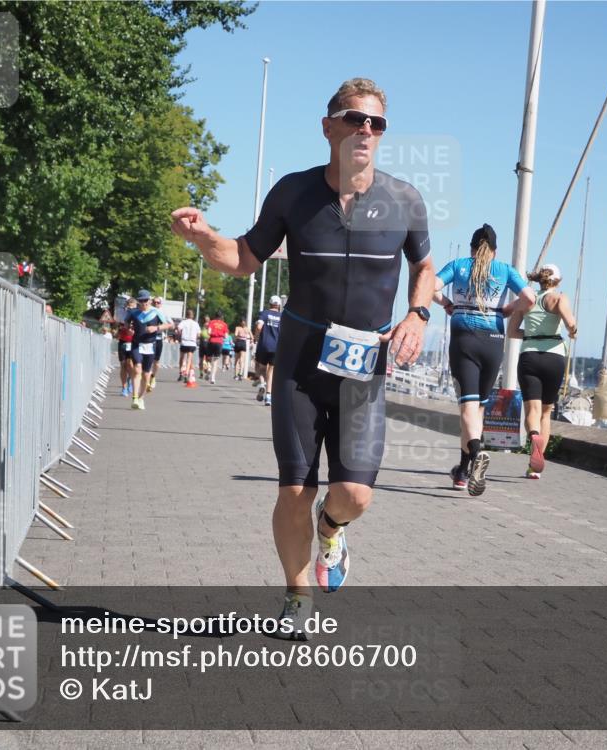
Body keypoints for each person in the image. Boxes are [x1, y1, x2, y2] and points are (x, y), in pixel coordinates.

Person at [172, 77, 433, 636]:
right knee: (294, 486)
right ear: (328, 126)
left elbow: (425, 268)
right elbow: (244, 257)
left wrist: (417, 315)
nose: (366, 129)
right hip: (299, 364)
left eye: (376, 123)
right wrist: (202, 237)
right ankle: (297, 594)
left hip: (363, 368)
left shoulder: (404, 199)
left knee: (355, 495)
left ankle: (332, 528)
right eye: (354, 118)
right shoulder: (293, 193)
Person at [433, 223, 533, 495]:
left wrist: (447, 304)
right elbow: (530, 298)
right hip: (493, 340)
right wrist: (507, 310)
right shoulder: (505, 270)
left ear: (472, 248)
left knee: (467, 407)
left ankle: (476, 453)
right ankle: (463, 474)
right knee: (477, 410)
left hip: (464, 338)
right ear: (495, 251)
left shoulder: (459, 264)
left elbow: (430, 286)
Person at [507, 264, 578, 478]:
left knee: (532, 411)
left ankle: (533, 434)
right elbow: (570, 323)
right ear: (557, 281)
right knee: (546, 412)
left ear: (539, 279)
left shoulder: (526, 301)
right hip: (554, 357)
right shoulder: (559, 298)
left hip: (529, 356)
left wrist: (531, 336)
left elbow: (512, 331)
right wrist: (573, 332)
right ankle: (534, 467)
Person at [128, 290, 168, 410]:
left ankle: (141, 398)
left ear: (149, 300)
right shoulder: (133, 312)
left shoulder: (156, 312)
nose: (143, 303)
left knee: (146, 375)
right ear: (138, 301)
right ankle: (134, 397)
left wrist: (156, 328)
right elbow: (125, 323)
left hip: (150, 345)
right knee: (137, 369)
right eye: (141, 301)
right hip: (136, 344)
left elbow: (168, 325)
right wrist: (129, 329)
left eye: (145, 300)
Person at [254, 296, 282, 406]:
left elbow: (259, 326)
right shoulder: (282, 316)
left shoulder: (264, 313)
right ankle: (269, 396)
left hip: (264, 345)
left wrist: (256, 336)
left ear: (270, 304)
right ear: (279, 305)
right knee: (271, 372)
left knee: (261, 368)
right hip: (276, 346)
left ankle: (262, 384)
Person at [148, 297, 172, 392]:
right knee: (148, 359)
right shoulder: (149, 311)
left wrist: (159, 328)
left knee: (156, 361)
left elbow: (171, 324)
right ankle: (147, 375)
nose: (155, 304)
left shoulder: (163, 313)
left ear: (161, 304)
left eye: (158, 302)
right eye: (154, 302)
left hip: (158, 338)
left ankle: (153, 376)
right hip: (148, 339)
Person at [117, 299, 137, 397]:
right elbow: (119, 323)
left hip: (133, 342)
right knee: (123, 364)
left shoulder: (138, 315)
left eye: (133, 306)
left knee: (131, 365)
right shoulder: (122, 313)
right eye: (129, 306)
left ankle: (130, 380)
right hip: (123, 341)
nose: (131, 308)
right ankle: (124, 387)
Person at [176, 308, 201, 382]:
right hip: (192, 342)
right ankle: (186, 373)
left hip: (184, 341)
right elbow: (199, 334)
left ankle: (181, 372)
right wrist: (195, 337)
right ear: (193, 316)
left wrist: (180, 334)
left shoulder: (183, 322)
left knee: (181, 358)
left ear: (186, 315)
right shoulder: (196, 323)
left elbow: (178, 328)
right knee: (189, 359)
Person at [206, 311, 229, 384]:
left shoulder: (211, 322)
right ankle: (213, 378)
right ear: (221, 316)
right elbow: (226, 336)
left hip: (211, 341)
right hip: (219, 342)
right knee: (215, 361)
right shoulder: (224, 324)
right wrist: (221, 334)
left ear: (215, 316)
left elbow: (209, 332)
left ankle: (209, 368)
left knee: (209, 358)